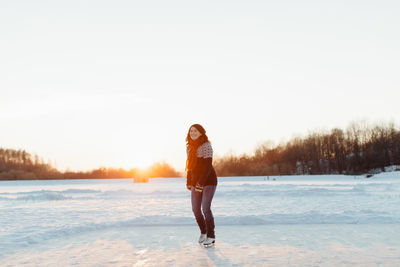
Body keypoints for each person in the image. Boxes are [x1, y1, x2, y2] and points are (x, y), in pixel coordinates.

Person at [185, 124, 218, 246]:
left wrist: (200, 183)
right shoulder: (189, 148)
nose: (193, 133)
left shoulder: (206, 146)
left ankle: (211, 236)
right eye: (191, 131)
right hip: (195, 182)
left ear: (201, 133)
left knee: (205, 208)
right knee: (195, 209)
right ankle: (203, 232)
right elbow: (189, 166)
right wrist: (189, 181)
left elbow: (207, 167)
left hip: (208, 181)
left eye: (195, 131)